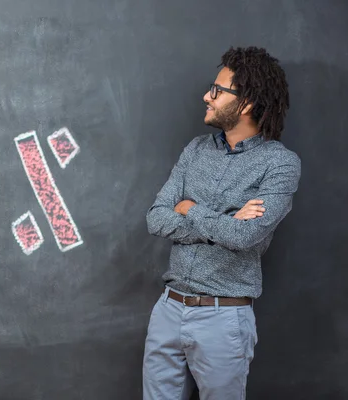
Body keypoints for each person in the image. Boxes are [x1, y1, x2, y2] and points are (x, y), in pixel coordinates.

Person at [142, 46, 301, 399]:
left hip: (223, 318)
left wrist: (189, 208)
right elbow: (155, 217)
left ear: (245, 103)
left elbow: (246, 237)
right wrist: (224, 223)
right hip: (168, 309)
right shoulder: (195, 150)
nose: (206, 96)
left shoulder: (280, 165)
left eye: (217, 90)